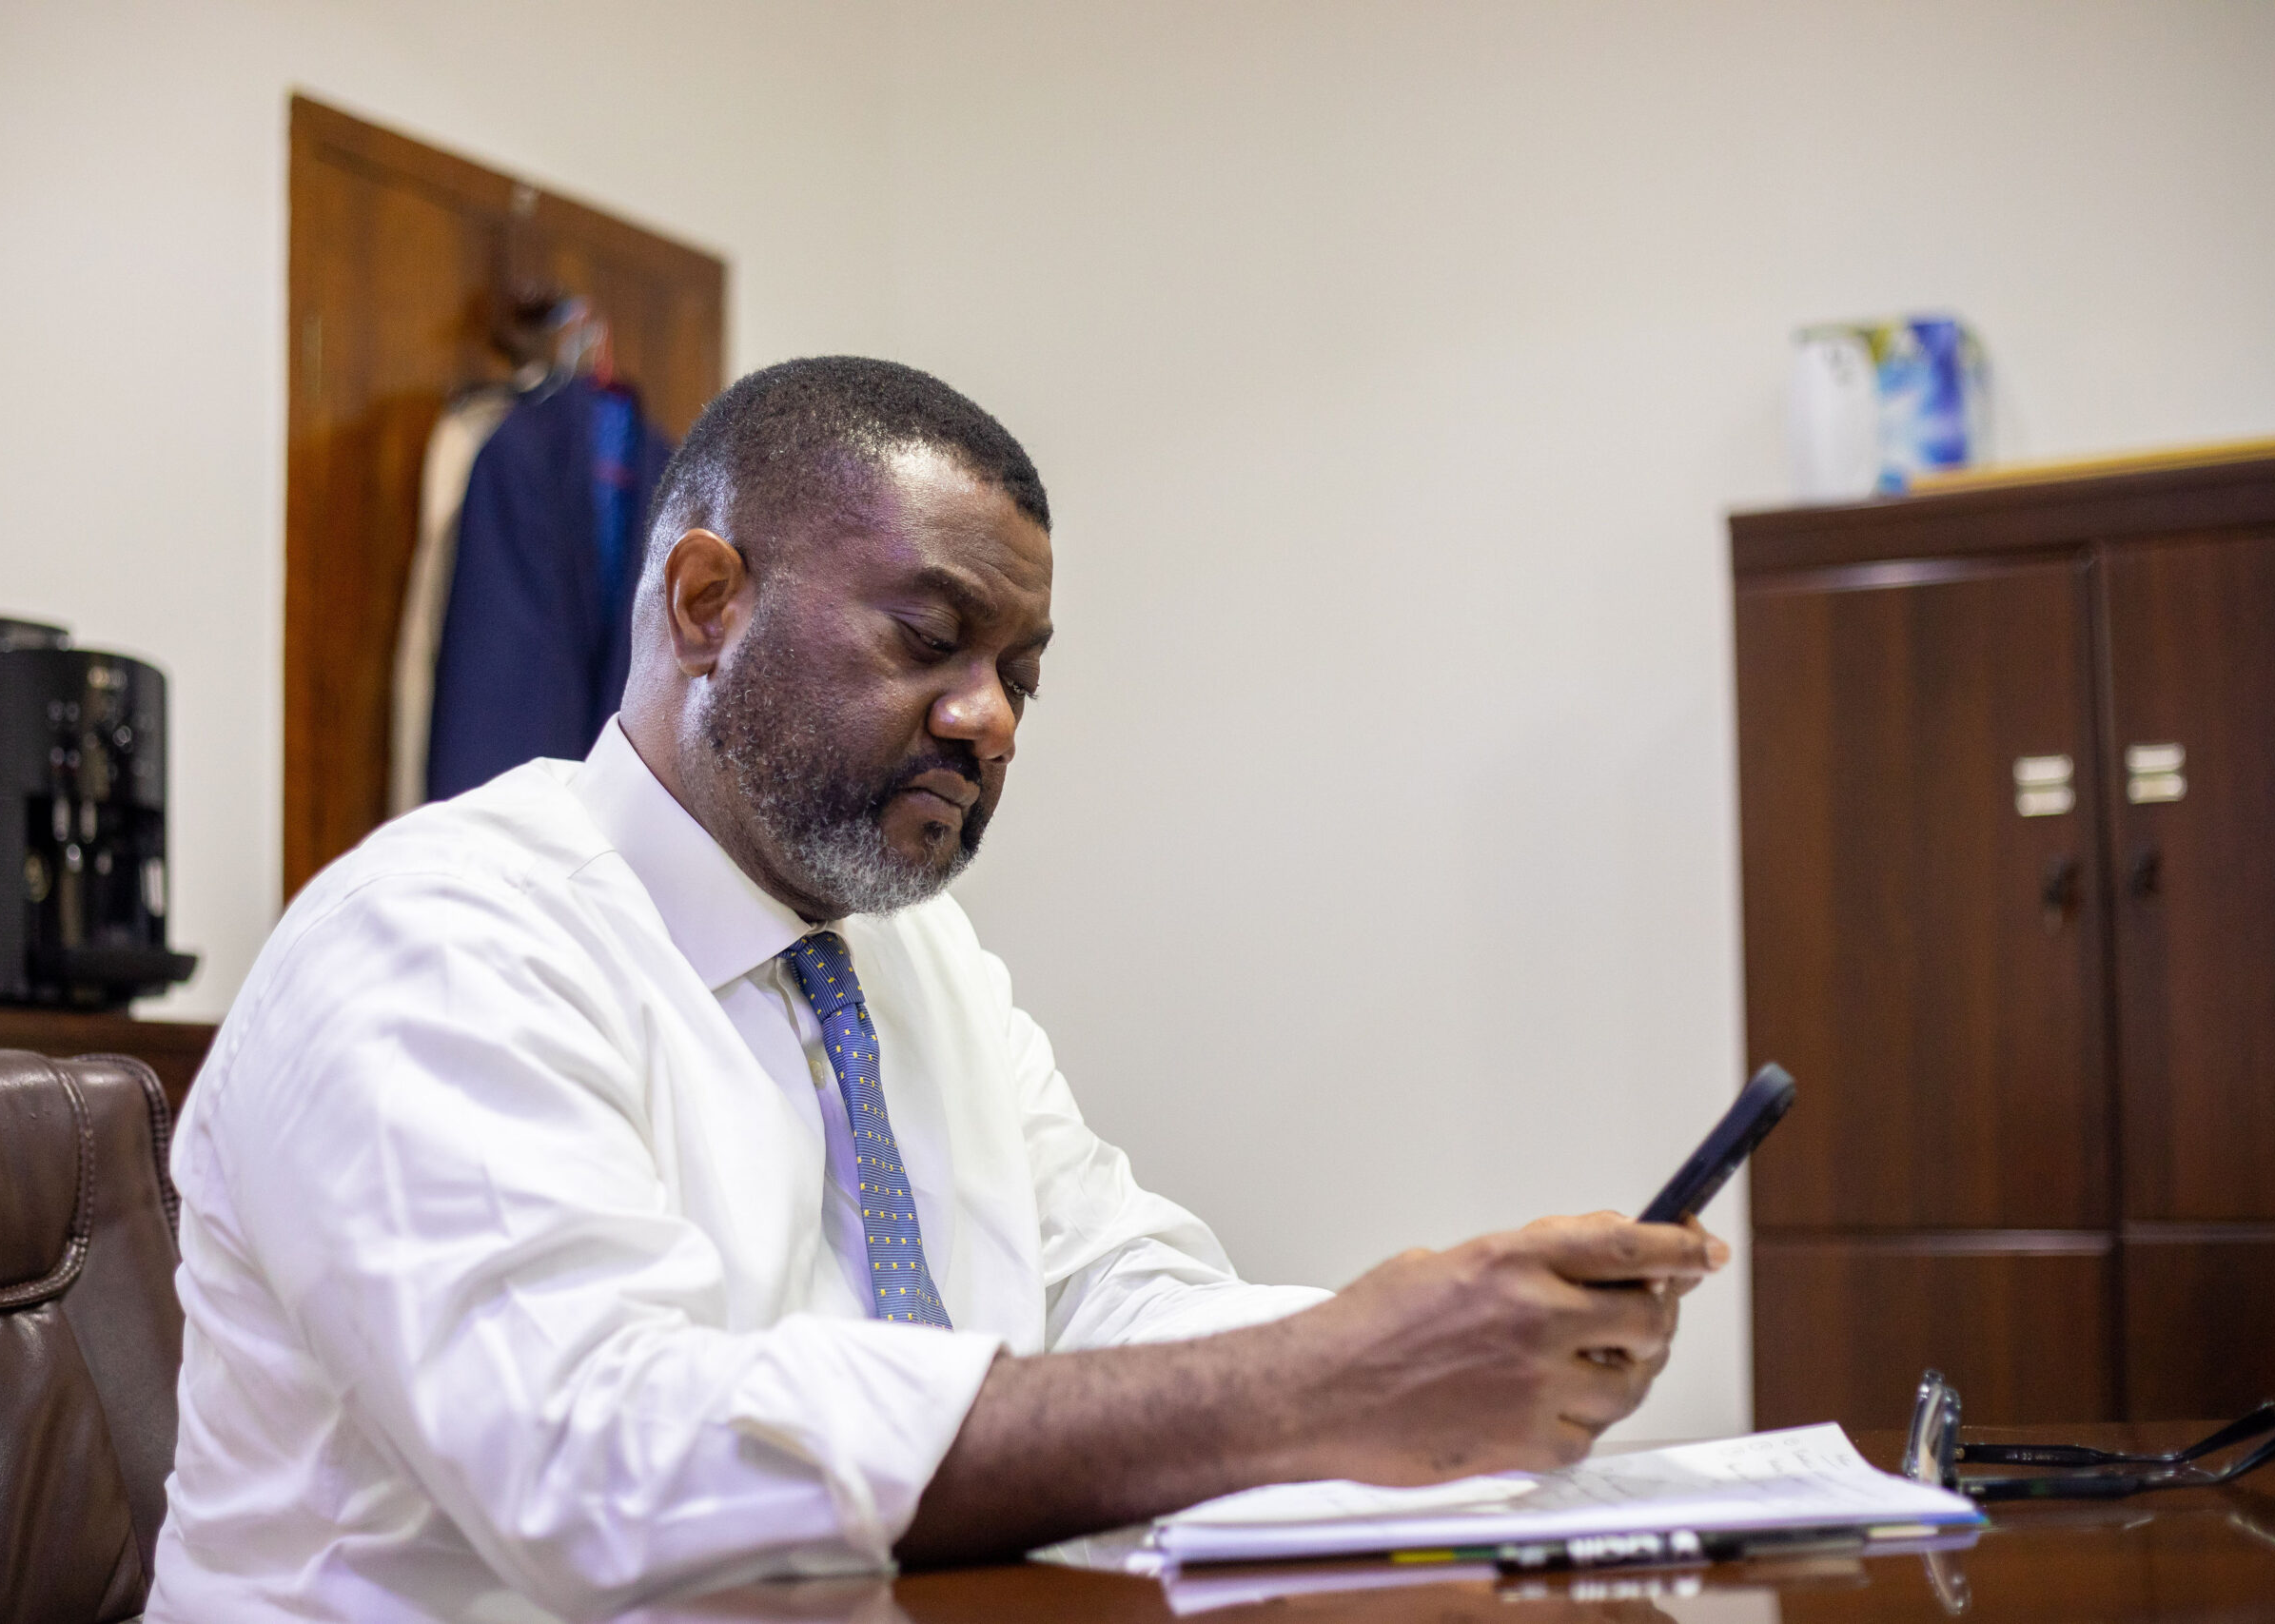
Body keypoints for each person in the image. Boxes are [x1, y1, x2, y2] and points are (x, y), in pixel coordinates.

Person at [147, 357, 1724, 1622]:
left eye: (1020, 673)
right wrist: (1319, 1385)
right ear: (706, 604)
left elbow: (1107, 1293)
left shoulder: (915, 961)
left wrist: (1450, 1346)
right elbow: (597, 1466)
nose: (992, 721)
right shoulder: (435, 939)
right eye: (931, 641)